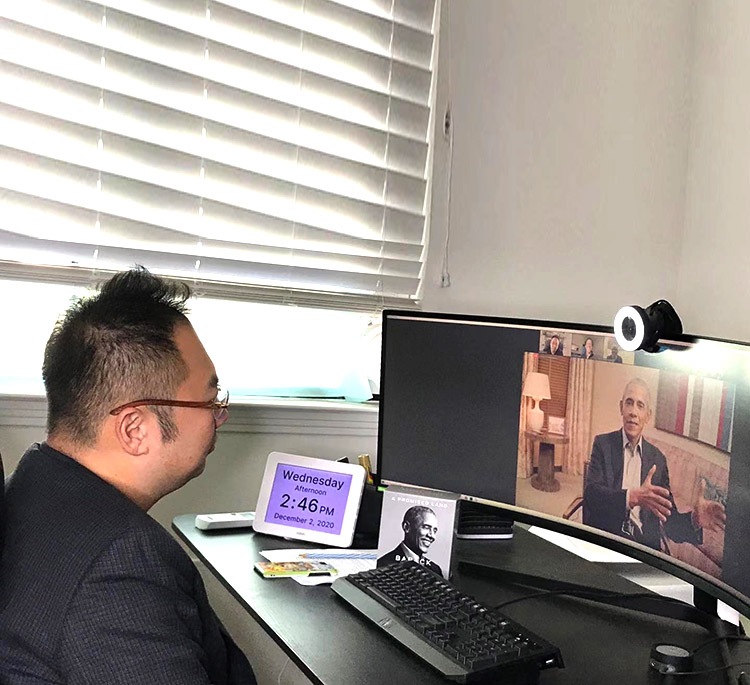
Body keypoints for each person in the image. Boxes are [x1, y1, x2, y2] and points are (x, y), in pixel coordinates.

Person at [0, 267, 256, 684]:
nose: (220, 417)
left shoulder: (33, 482)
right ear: (135, 429)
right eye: (211, 400)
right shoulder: (120, 567)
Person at [583, 378, 726, 552]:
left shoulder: (658, 459)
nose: (633, 412)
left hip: (643, 549)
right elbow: (591, 495)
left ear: (648, 416)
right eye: (629, 403)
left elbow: (669, 521)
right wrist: (631, 497)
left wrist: (694, 520)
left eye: (640, 405)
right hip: (608, 541)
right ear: (621, 407)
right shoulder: (603, 444)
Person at [378, 506, 444, 576]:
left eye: (434, 531)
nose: (432, 536)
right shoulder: (382, 565)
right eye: (426, 527)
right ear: (406, 527)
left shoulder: (435, 570)